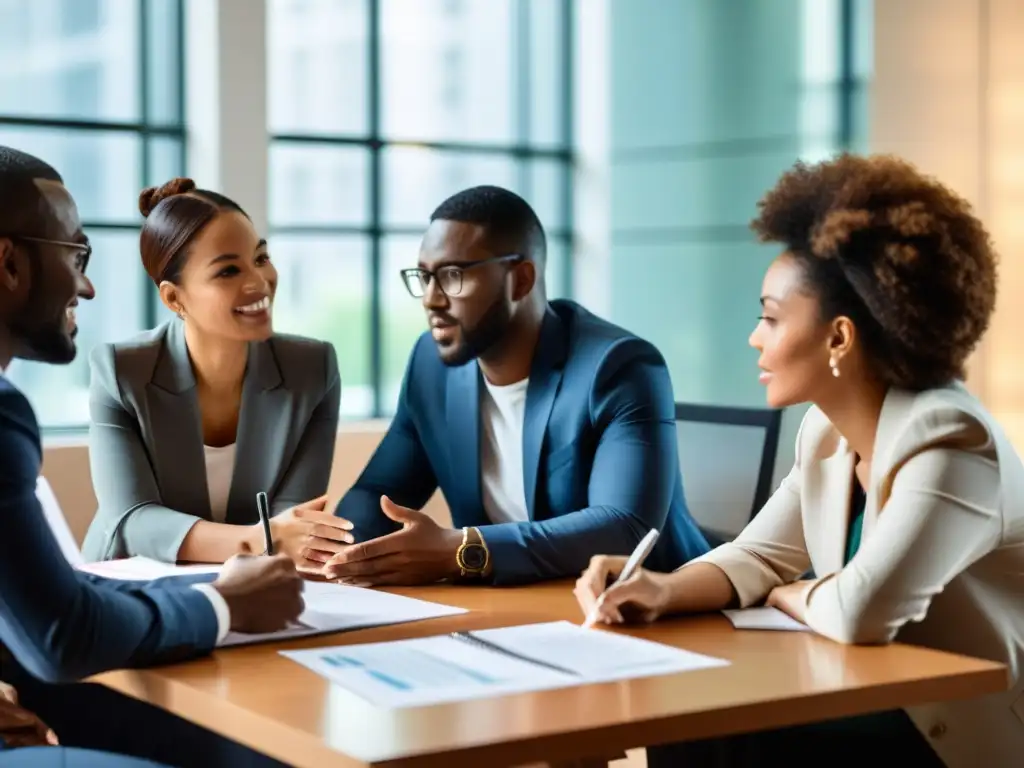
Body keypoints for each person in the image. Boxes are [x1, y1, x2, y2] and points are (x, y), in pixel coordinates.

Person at [574, 153, 1024, 767]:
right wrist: (661, 588)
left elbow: (862, 612)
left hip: (956, 731)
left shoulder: (952, 439)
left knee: (717, 727)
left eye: (770, 317)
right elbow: (761, 555)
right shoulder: (824, 430)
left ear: (839, 338)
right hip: (875, 689)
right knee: (685, 714)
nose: (755, 337)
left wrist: (792, 591)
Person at [0, 147, 303, 762]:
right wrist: (224, 603)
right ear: (7, 263)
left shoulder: (307, 367)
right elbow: (63, 634)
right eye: (75, 254)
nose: (85, 284)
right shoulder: (12, 410)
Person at [323, 185, 709, 587]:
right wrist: (337, 555)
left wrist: (461, 549)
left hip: (657, 608)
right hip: (516, 606)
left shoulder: (618, 367)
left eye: (453, 276)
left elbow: (624, 528)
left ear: (521, 280)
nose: (432, 299)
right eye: (424, 277)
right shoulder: (431, 364)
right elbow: (379, 491)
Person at [81, 177, 349, 569]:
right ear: (174, 297)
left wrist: (268, 543)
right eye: (228, 271)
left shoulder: (313, 369)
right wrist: (255, 540)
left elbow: (294, 520)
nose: (260, 282)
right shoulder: (121, 371)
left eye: (260, 258)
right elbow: (133, 520)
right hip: (134, 582)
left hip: (260, 581)